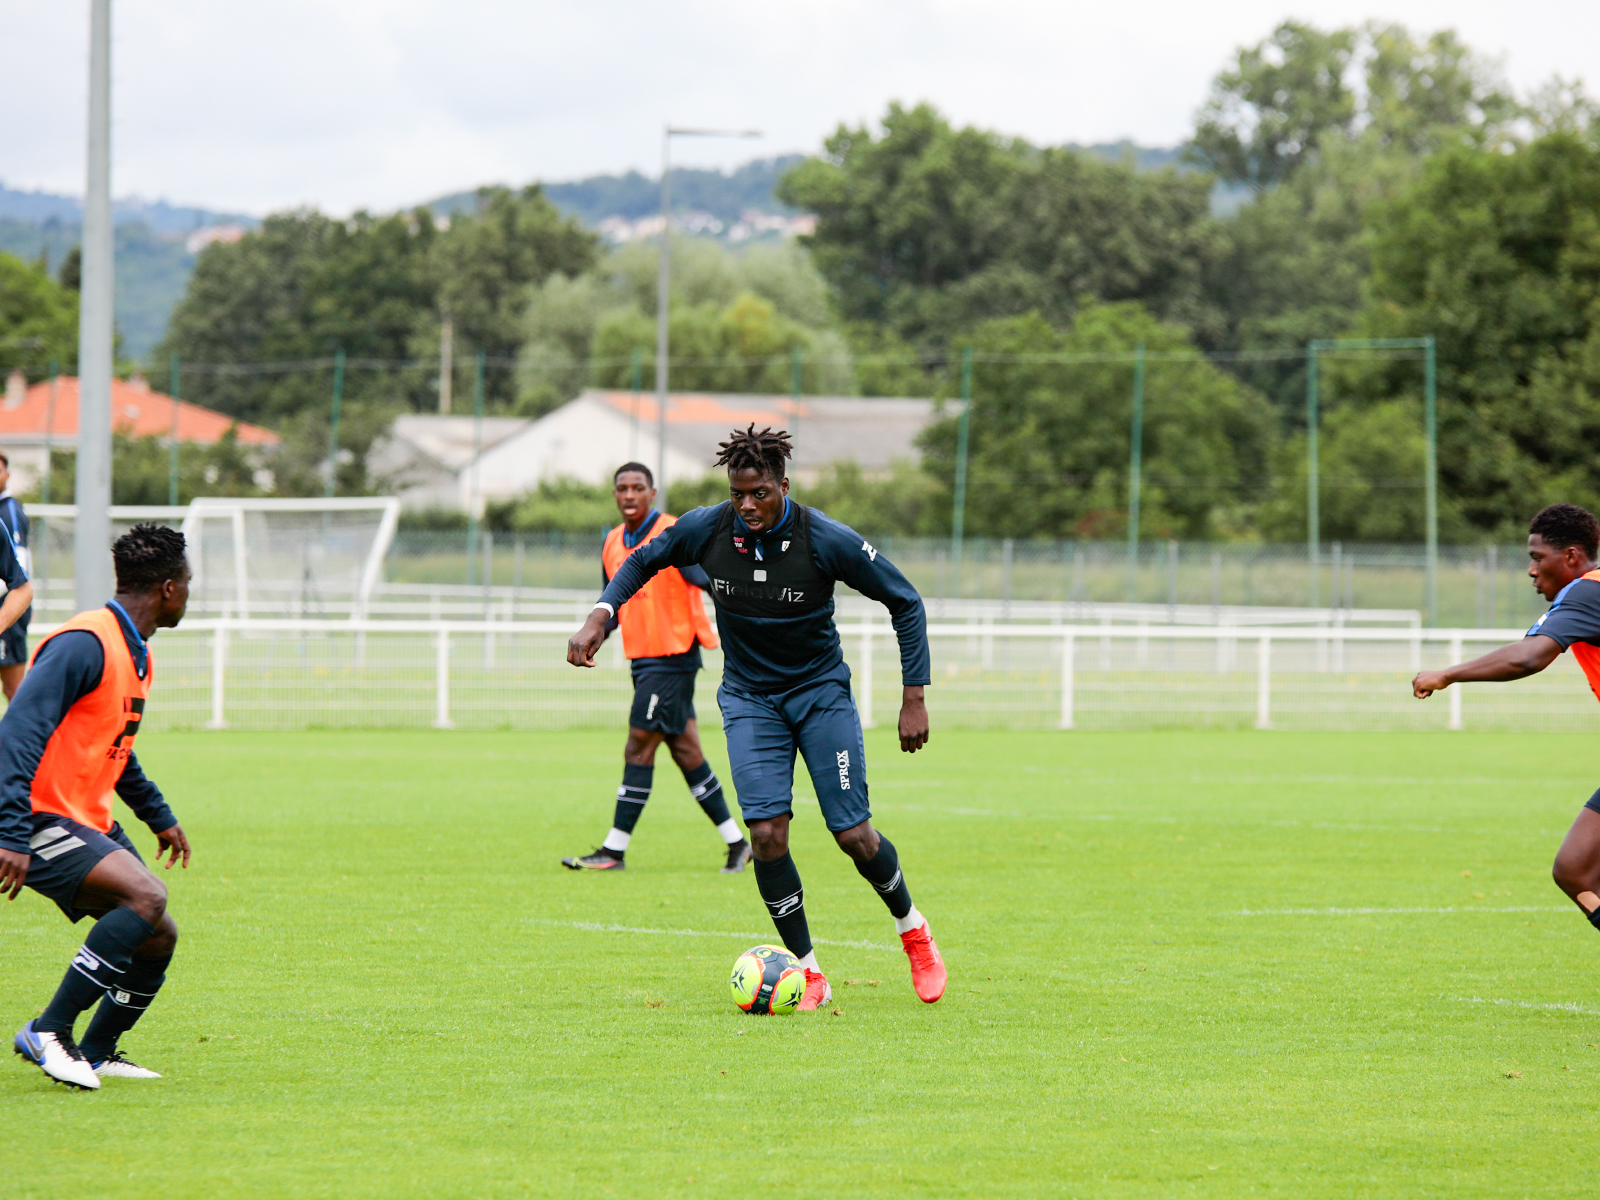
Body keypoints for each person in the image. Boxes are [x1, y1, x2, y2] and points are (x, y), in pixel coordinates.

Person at [567, 427, 945, 1008]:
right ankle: (809, 970)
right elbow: (643, 560)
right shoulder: (708, 528)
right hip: (749, 699)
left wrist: (913, 696)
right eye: (739, 494)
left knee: (853, 835)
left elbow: (905, 600)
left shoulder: (824, 538)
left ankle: (912, 929)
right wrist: (601, 615)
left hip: (819, 694)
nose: (748, 506)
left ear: (783, 487)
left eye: (760, 493)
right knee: (766, 835)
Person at [3, 524, 192, 1090]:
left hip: (82, 812)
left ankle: (97, 1049)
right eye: (187, 583)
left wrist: (156, 814)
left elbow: (116, 744)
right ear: (166, 587)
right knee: (145, 895)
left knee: (158, 932)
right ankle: (48, 1030)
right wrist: (11, 832)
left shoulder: (135, 651)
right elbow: (16, 735)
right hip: (34, 813)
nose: (189, 593)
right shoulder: (84, 642)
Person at [1414, 502, 1600, 934]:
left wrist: (1446, 674)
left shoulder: (1587, 591)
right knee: (1574, 870)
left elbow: (1529, 658)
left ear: (1571, 556)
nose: (1532, 571)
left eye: (1537, 558)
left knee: (1575, 870)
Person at [562, 462, 752, 873]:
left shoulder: (674, 533)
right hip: (642, 658)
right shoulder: (613, 541)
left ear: (652, 492)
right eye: (621, 489)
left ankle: (613, 851)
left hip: (674, 657)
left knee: (639, 743)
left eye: (637, 488)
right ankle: (739, 844)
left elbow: (712, 581)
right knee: (686, 752)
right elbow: (613, 601)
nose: (629, 495)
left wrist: (748, 623)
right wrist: (597, 633)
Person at [0, 452, 32, 699]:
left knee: (14, 690)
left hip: (7, 611)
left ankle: (25, 737)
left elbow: (18, 576)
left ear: (7, 475)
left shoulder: (9, 511)